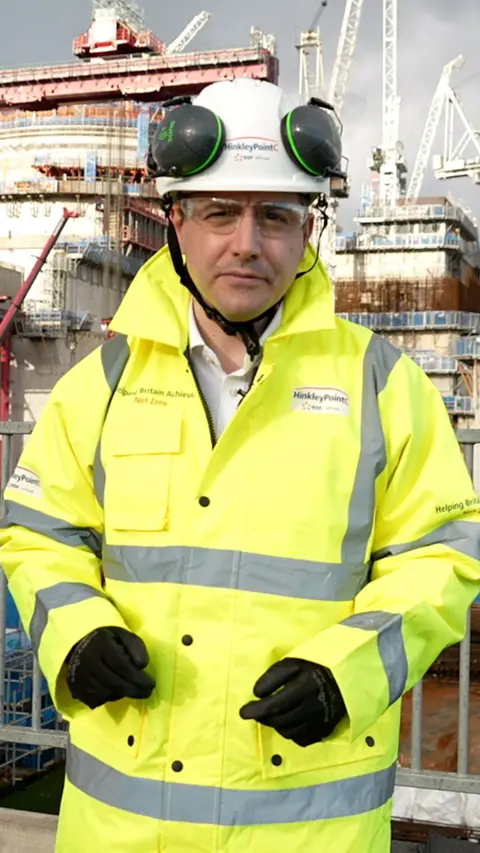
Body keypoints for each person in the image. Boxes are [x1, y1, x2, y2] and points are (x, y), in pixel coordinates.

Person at [0, 78, 479, 853]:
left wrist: (345, 670)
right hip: (124, 829)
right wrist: (76, 633)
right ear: (178, 222)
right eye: (221, 212)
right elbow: (38, 534)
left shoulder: (385, 387)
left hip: (305, 828)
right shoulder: (103, 383)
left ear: (309, 230)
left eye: (276, 216)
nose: (247, 243)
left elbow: (443, 557)